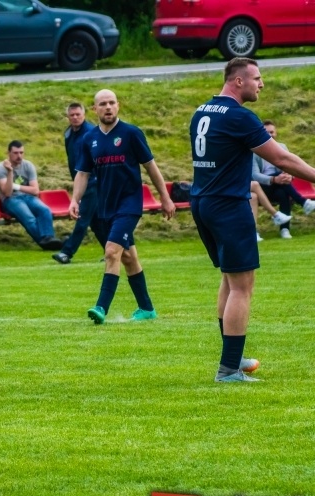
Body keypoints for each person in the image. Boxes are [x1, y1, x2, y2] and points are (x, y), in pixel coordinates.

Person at [189, 57, 315, 382]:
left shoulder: (202, 111)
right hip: (229, 206)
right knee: (243, 286)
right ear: (238, 81)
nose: (261, 84)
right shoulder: (240, 117)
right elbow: (281, 158)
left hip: (203, 202)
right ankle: (229, 370)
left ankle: (233, 358)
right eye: (257, 78)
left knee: (229, 281)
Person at [69, 89, 175, 325]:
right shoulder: (89, 139)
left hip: (129, 204)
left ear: (118, 106)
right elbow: (83, 173)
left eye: (112, 103)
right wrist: (75, 200)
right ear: (94, 109)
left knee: (111, 251)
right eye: (103, 104)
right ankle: (146, 308)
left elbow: (151, 167)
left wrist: (165, 198)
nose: (108, 107)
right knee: (128, 257)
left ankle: (101, 307)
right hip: (105, 206)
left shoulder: (131, 133)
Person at [53, 102, 106, 264]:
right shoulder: (69, 134)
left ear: (84, 115)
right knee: (95, 222)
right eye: (72, 115)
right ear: (68, 117)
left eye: (78, 114)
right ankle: (115, 250)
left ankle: (66, 253)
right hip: (81, 182)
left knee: (82, 218)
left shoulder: (91, 133)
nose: (75, 118)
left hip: (92, 182)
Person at [0, 141, 62, 250]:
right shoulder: (0, 168)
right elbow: (7, 192)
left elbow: (35, 191)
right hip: (10, 200)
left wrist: (16, 186)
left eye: (21, 153)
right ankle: (47, 243)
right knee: (28, 217)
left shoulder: (28, 165)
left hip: (28, 197)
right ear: (8, 153)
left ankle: (48, 238)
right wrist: (10, 172)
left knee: (44, 210)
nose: (19, 156)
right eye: (15, 153)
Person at [252, 119, 315, 239]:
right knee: (282, 185)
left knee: (283, 193)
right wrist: (274, 179)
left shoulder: (282, 147)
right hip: (261, 187)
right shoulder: (255, 151)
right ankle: (303, 202)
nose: (270, 135)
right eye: (266, 132)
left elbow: (289, 166)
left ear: (276, 133)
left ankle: (284, 229)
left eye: (272, 132)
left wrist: (288, 175)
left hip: (279, 185)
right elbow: (255, 175)